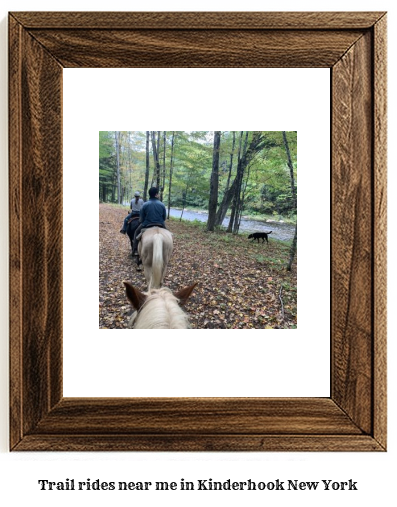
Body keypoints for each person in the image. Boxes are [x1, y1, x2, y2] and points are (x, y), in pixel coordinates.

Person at [132, 187, 166, 255]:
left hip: (147, 224)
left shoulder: (145, 205)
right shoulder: (162, 205)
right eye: (158, 194)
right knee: (169, 235)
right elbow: (164, 218)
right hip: (160, 224)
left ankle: (135, 249)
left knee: (136, 232)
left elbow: (141, 219)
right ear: (156, 194)